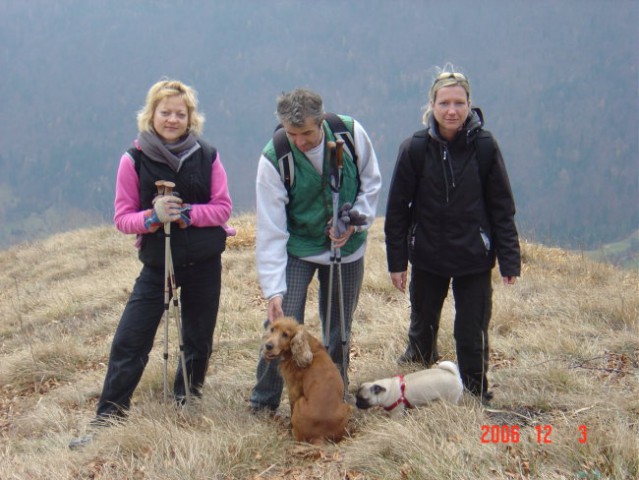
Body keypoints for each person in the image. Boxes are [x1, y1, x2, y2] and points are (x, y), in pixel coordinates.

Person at [70, 79, 233, 448]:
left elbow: (223, 208)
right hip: (159, 263)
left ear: (191, 117)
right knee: (131, 339)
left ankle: (186, 404)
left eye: (180, 113)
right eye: (166, 112)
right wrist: (152, 217)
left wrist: (188, 213)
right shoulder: (134, 158)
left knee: (197, 339)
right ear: (151, 114)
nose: (173, 119)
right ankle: (107, 422)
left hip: (204, 259)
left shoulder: (207, 155)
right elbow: (122, 217)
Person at [384, 67, 520, 404]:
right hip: (428, 255)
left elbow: (501, 206)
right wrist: (397, 261)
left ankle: (475, 393)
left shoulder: (485, 147)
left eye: (459, 103)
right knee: (423, 326)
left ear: (470, 104)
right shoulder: (414, 148)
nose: (452, 110)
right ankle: (413, 390)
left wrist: (509, 259)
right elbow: (398, 209)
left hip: (473, 257)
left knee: (471, 331)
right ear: (431, 104)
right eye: (444, 102)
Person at [250, 88, 382, 413]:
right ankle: (263, 401)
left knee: (338, 327)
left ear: (321, 121)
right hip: (299, 248)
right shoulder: (274, 158)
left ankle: (334, 395)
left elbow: (371, 181)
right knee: (279, 325)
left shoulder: (350, 134)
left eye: (307, 133)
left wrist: (355, 222)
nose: (300, 142)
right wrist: (273, 290)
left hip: (346, 249)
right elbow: (271, 228)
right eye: (291, 133)